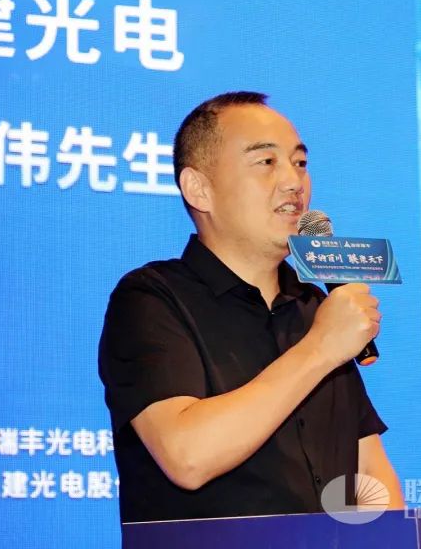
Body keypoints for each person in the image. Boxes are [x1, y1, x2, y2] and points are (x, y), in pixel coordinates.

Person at [98, 91, 404, 523]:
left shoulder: (315, 308)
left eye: (300, 162)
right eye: (266, 162)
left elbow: (368, 472)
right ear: (199, 189)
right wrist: (319, 349)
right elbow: (187, 456)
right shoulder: (151, 299)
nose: (294, 182)